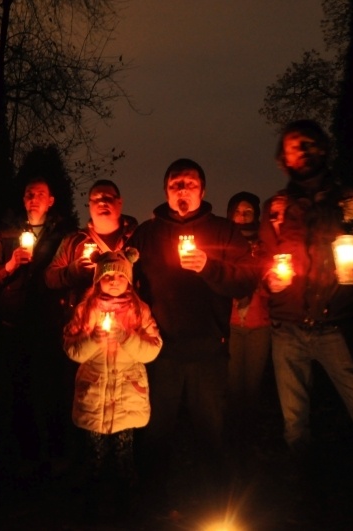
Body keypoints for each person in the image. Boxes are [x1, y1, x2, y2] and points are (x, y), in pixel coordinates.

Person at [258, 119, 353, 489]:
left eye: (307, 143)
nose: (301, 151)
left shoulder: (349, 202)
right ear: (283, 158)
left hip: (335, 325)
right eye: (293, 146)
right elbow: (267, 262)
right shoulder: (275, 209)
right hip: (287, 328)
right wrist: (271, 280)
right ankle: (306, 495)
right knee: (295, 423)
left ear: (322, 147)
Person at [127, 158, 257, 512]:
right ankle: (150, 499)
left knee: (211, 430)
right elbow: (127, 280)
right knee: (155, 431)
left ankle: (217, 502)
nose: (182, 189)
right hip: (161, 351)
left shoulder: (223, 231)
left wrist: (209, 267)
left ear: (203, 189)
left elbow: (247, 278)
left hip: (208, 349)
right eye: (175, 184)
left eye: (189, 183)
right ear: (166, 191)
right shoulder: (148, 233)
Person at [0, 175, 76, 474]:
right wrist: (10, 266)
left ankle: (58, 454)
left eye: (40, 193)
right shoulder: (6, 232)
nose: (33, 198)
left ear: (51, 201)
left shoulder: (63, 233)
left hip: (49, 322)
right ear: (23, 200)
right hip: (15, 323)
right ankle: (26, 457)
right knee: (19, 392)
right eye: (28, 193)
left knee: (53, 390)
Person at [63, 248, 161, 520]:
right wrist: (94, 338)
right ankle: (90, 508)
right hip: (94, 395)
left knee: (123, 458)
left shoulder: (140, 311)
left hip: (127, 397)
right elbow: (72, 350)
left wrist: (126, 338)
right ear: (97, 281)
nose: (114, 280)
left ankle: (127, 507)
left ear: (129, 280)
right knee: (93, 458)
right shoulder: (86, 310)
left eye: (120, 275)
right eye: (107, 276)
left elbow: (152, 351)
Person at [225, 192, 271, 458]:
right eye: (238, 212)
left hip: (258, 324)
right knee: (232, 385)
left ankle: (249, 438)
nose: (242, 217)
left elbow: (271, 286)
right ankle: (231, 439)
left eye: (248, 213)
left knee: (252, 385)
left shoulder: (265, 247)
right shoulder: (224, 244)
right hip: (231, 324)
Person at [45, 179, 138, 313]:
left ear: (119, 202)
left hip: (129, 321)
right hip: (85, 323)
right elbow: (50, 278)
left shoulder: (137, 237)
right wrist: (73, 271)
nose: (102, 202)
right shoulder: (74, 241)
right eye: (96, 199)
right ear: (89, 204)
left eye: (107, 197)